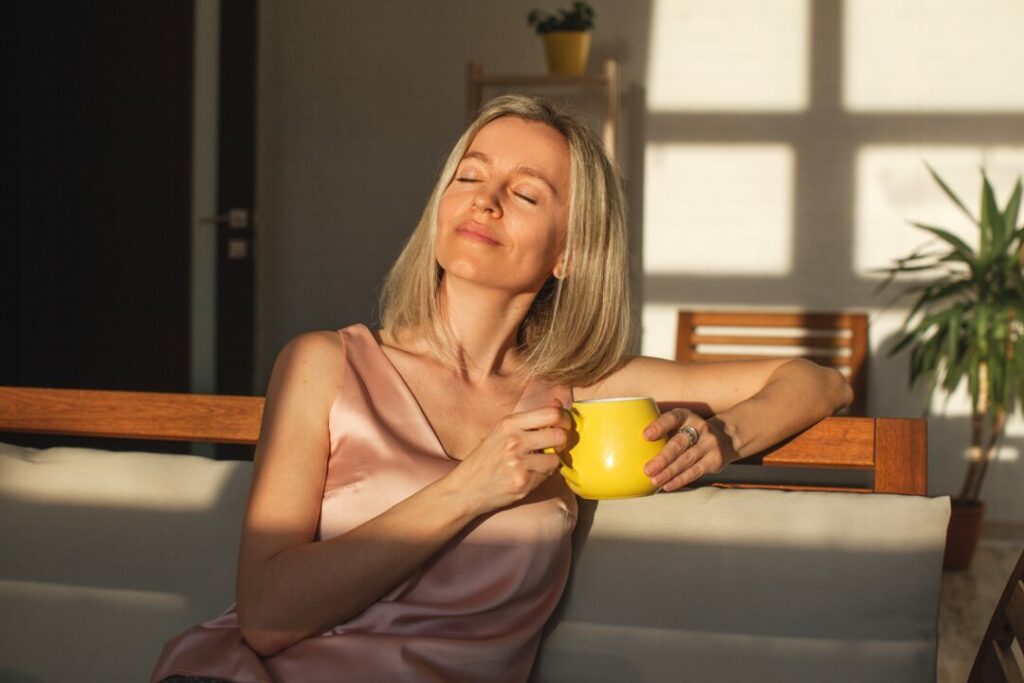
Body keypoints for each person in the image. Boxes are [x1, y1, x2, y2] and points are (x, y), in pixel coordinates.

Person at [151, 94, 852, 683]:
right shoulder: (322, 365)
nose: (484, 200)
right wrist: (473, 486)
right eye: (469, 176)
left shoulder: (581, 392)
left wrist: (725, 435)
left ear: (569, 252)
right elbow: (269, 616)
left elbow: (821, 381)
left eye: (523, 193)